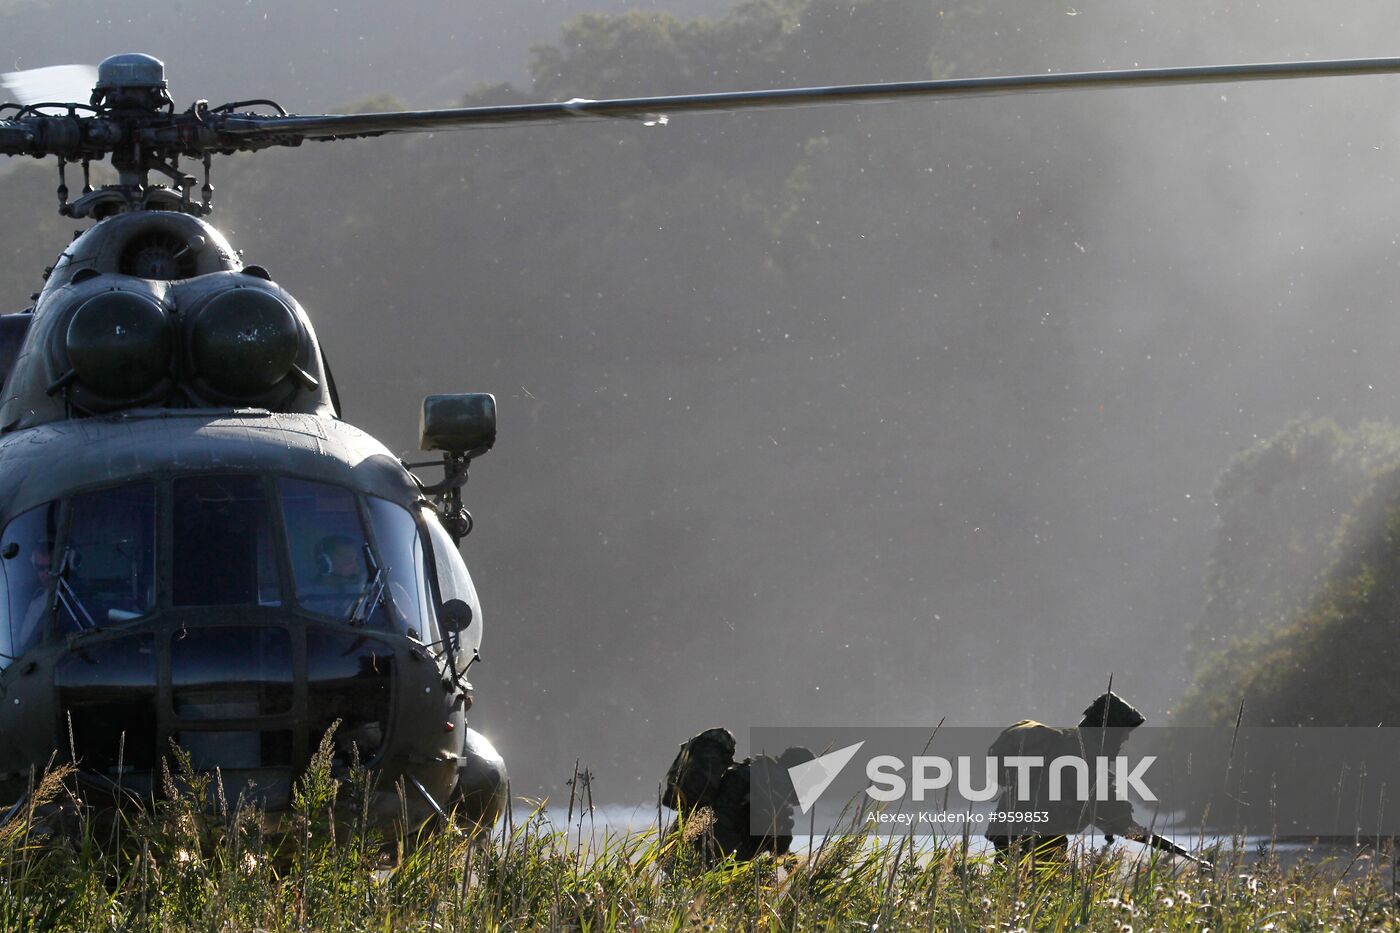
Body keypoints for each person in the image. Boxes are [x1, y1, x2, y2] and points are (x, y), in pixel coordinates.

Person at [984, 691, 1146, 864]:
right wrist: (1127, 824)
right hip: (1034, 831)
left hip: (1016, 826)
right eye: (1124, 731)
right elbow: (1099, 796)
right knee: (1045, 885)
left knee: (1015, 882)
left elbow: (1089, 802)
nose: (1126, 737)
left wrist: (1115, 823)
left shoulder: (1071, 743)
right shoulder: (1082, 750)